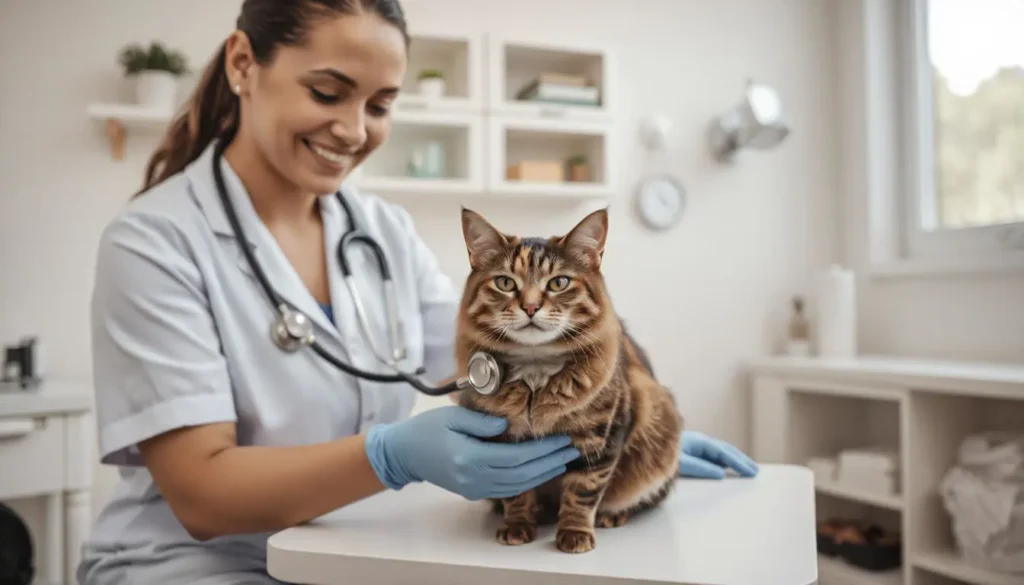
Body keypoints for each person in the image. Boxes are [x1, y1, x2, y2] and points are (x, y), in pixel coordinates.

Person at [77, 1, 758, 583]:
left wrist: (626, 421)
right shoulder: (156, 240)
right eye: (326, 92)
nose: (353, 130)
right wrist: (392, 456)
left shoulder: (380, 232)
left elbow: (483, 355)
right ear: (242, 64)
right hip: (188, 564)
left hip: (337, 550)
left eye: (379, 104)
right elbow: (201, 493)